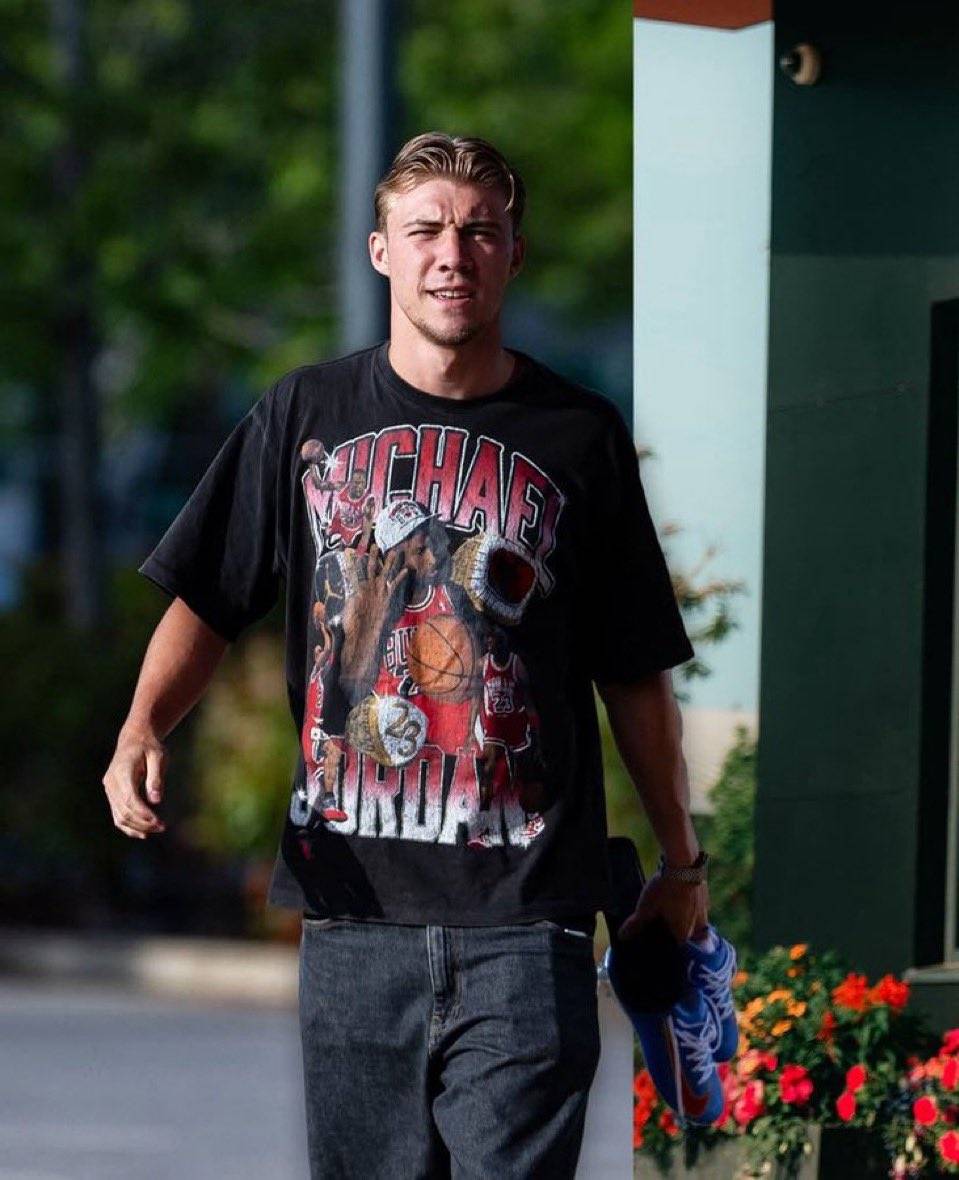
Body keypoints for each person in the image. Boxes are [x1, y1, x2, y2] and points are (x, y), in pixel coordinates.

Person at [102, 132, 709, 1180]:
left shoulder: (579, 435)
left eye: (479, 232)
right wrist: (140, 727)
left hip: (528, 923)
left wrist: (680, 862)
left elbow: (632, 669)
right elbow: (209, 594)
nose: (451, 254)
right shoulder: (304, 414)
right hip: (353, 920)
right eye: (425, 229)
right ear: (380, 249)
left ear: (513, 255)